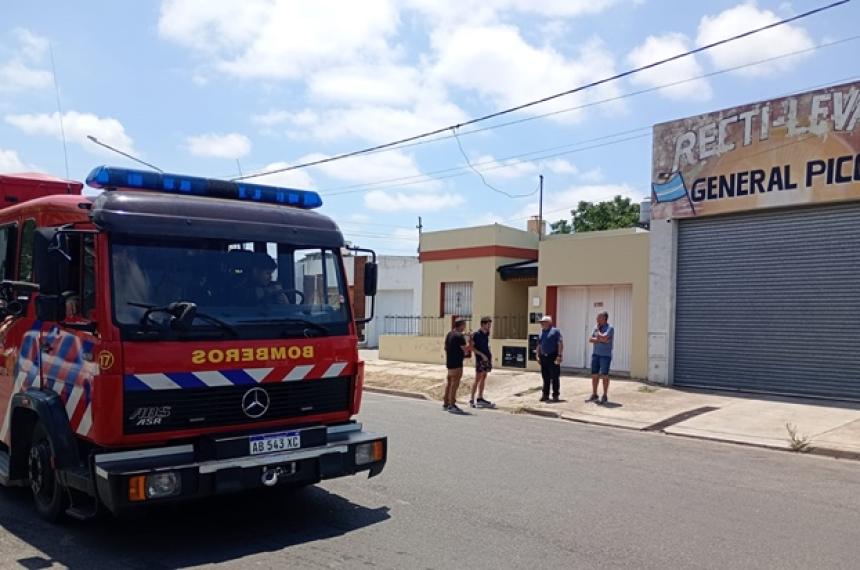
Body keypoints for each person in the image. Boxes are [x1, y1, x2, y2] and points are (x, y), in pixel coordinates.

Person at [443, 318, 469, 414]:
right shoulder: (459, 336)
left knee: (449, 383)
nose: (465, 327)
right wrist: (469, 341)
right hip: (457, 363)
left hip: (449, 362)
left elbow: (445, 348)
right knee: (455, 384)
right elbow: (465, 350)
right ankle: (452, 404)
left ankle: (446, 402)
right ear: (461, 325)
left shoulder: (449, 334)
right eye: (464, 325)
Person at [588, 311, 614, 404]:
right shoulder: (595, 327)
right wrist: (602, 339)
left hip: (605, 356)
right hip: (596, 354)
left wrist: (600, 336)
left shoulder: (610, 328)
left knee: (605, 375)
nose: (597, 319)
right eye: (597, 317)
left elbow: (605, 337)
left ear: (604, 318)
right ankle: (594, 394)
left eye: (599, 317)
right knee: (594, 374)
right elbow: (590, 339)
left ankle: (605, 395)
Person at [536, 315, 563, 402]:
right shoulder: (541, 332)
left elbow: (560, 344)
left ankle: (555, 395)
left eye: (543, 322)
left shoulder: (555, 331)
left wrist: (559, 355)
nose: (542, 324)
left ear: (549, 323)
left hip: (553, 356)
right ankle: (545, 394)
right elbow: (539, 345)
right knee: (545, 377)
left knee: (555, 376)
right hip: (544, 357)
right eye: (541, 323)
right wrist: (537, 355)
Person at [469, 317, 495, 409]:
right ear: (483, 324)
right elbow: (472, 348)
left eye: (490, 325)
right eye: (488, 324)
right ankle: (472, 399)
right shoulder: (476, 334)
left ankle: (480, 397)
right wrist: (481, 355)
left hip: (487, 358)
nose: (489, 326)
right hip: (480, 359)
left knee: (484, 377)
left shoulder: (486, 334)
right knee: (477, 378)